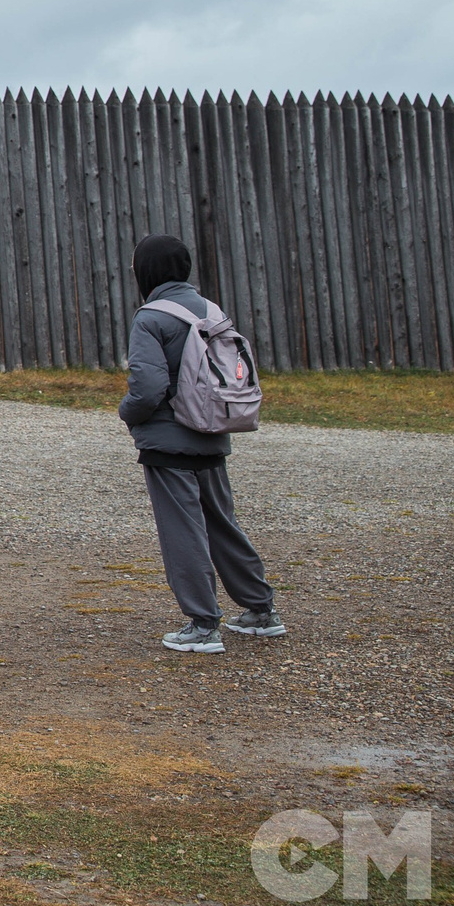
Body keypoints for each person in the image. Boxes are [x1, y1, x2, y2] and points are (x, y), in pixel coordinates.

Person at [122, 235, 282, 653]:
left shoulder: (150, 317)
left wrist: (127, 413)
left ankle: (202, 624)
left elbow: (149, 386)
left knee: (182, 532)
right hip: (212, 432)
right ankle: (260, 610)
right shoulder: (211, 310)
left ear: (146, 271)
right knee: (221, 524)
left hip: (168, 441)